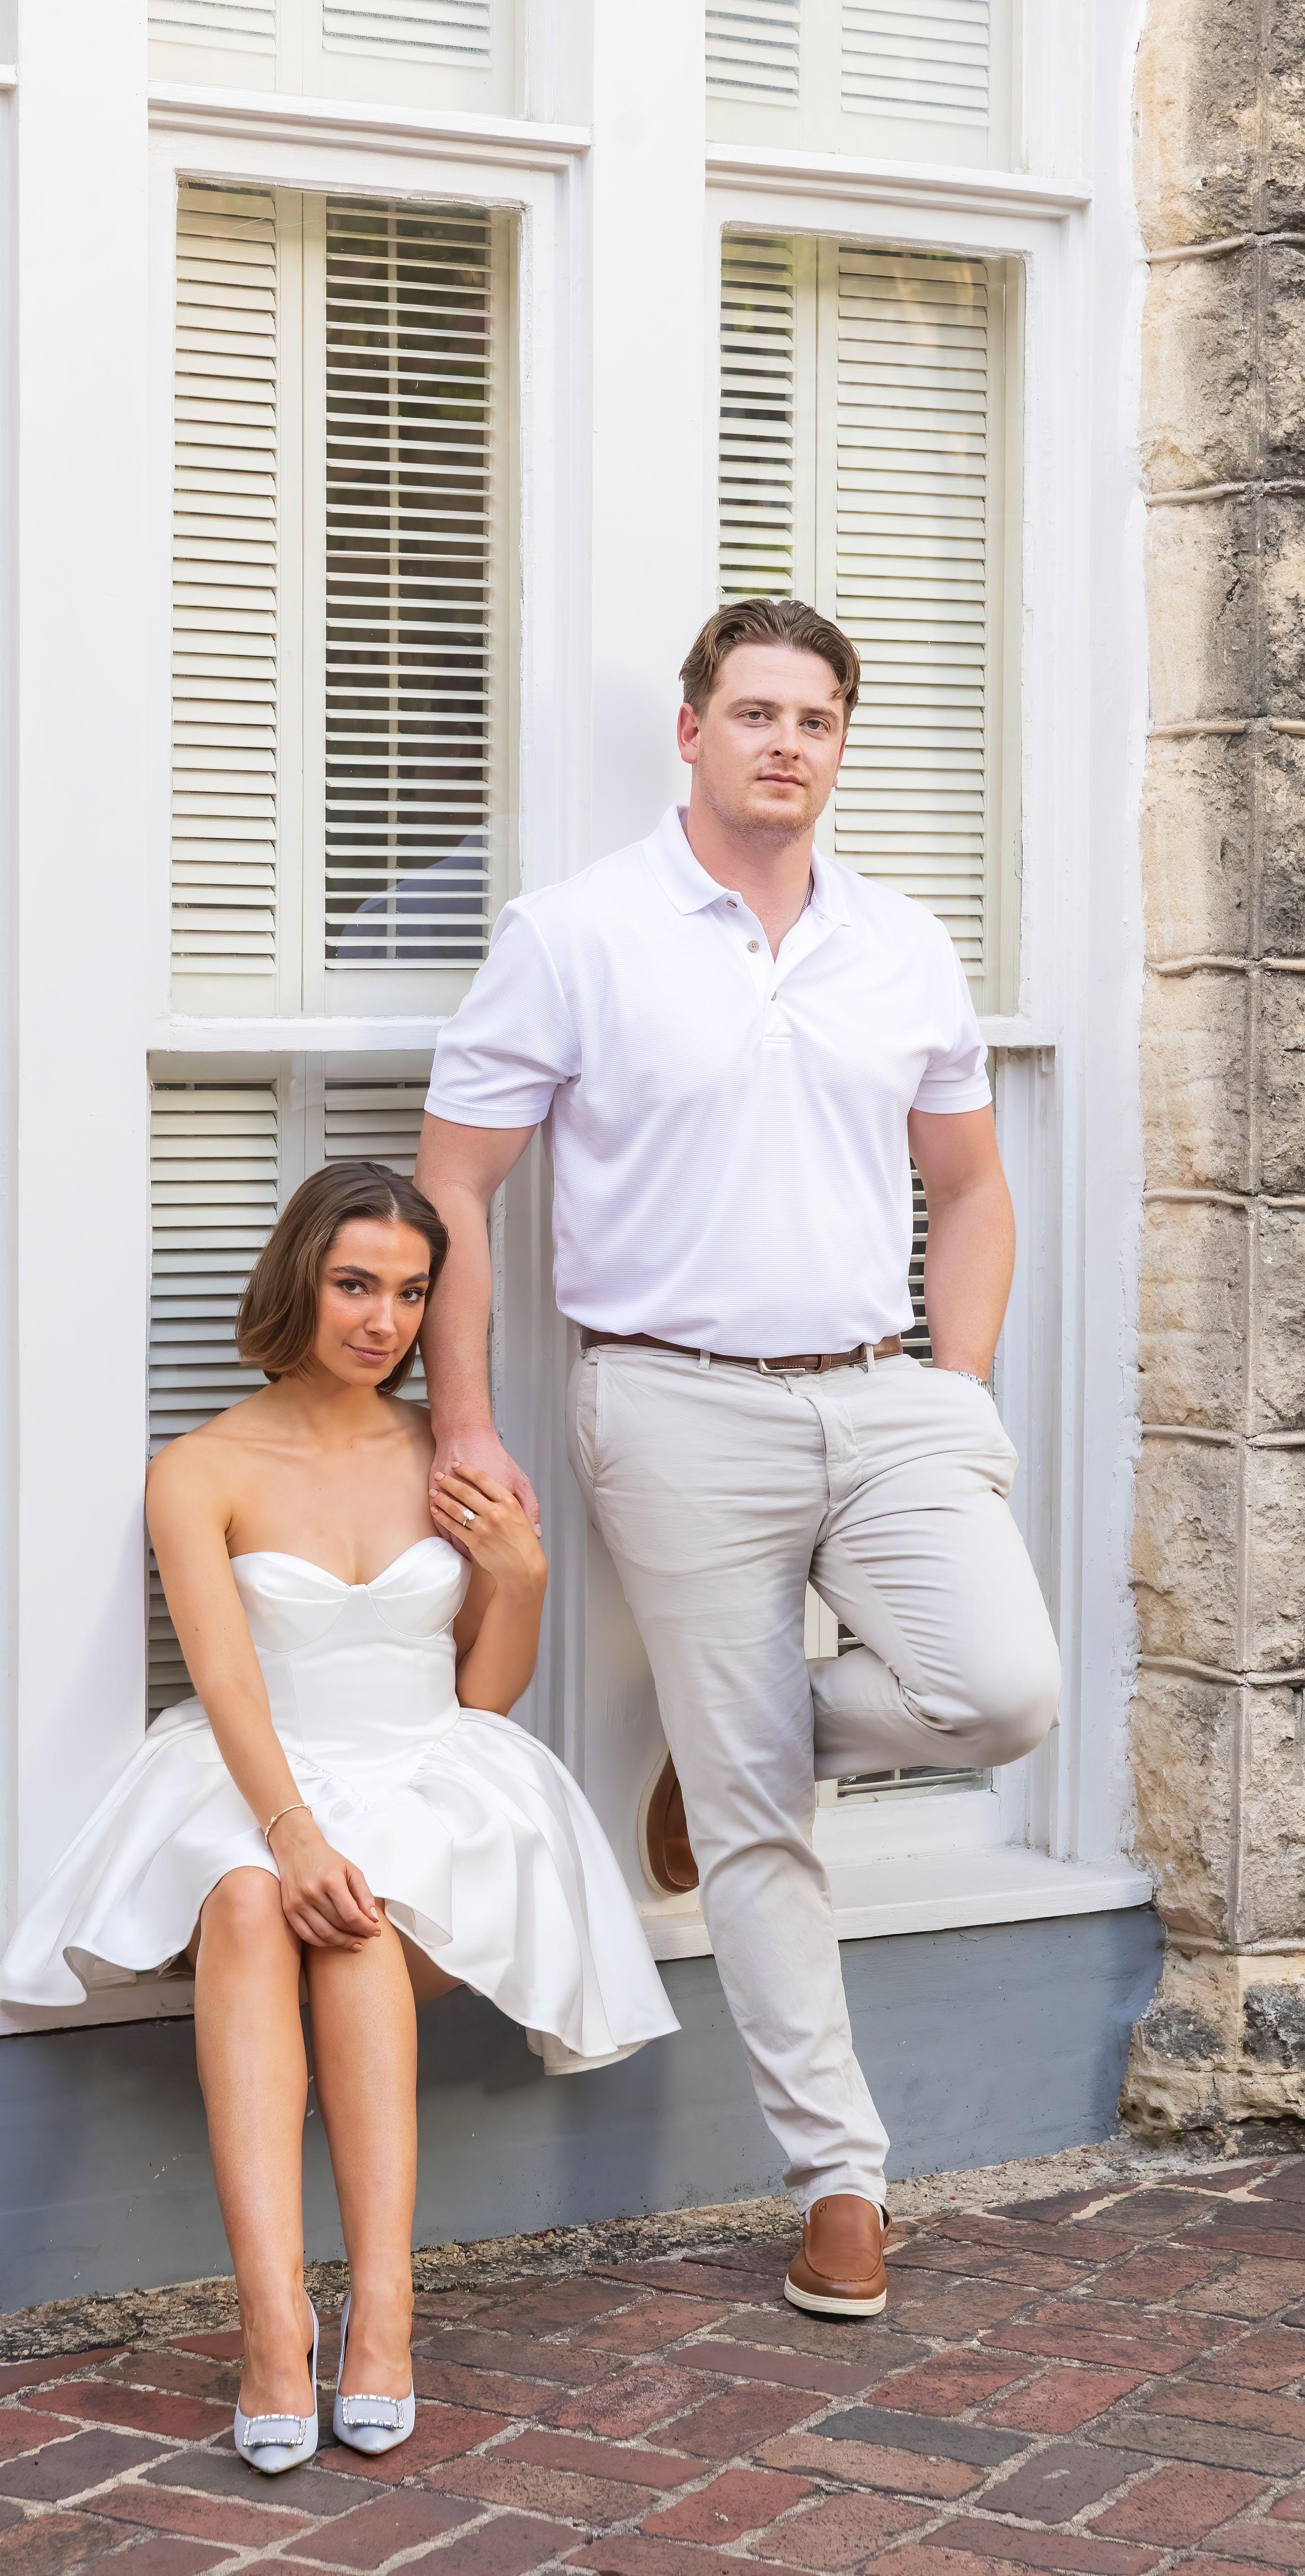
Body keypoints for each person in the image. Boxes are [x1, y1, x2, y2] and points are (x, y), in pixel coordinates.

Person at [413, 596, 1062, 2324]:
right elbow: (455, 1189)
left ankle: (720, 1757)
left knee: (1003, 1695)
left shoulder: (902, 943)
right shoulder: (575, 934)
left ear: (842, 746)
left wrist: (959, 1384)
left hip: (885, 1393)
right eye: (757, 712)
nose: (787, 743)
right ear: (693, 731)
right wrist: (463, 1419)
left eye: (817, 719)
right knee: (768, 1820)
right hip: (674, 1403)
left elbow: (970, 1187)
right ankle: (841, 2184)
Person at [0, 1162, 676, 2475]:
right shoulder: (200, 1470)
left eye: (412, 1295)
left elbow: (483, 1694)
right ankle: (272, 2324)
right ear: (299, 1278)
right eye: (357, 1284)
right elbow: (225, 1678)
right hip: (258, 1772)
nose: (384, 1321)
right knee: (255, 1896)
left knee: (357, 1916)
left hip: (432, 1774)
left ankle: (385, 2314)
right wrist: (294, 1830)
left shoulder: (447, 1456)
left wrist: (524, 1580)